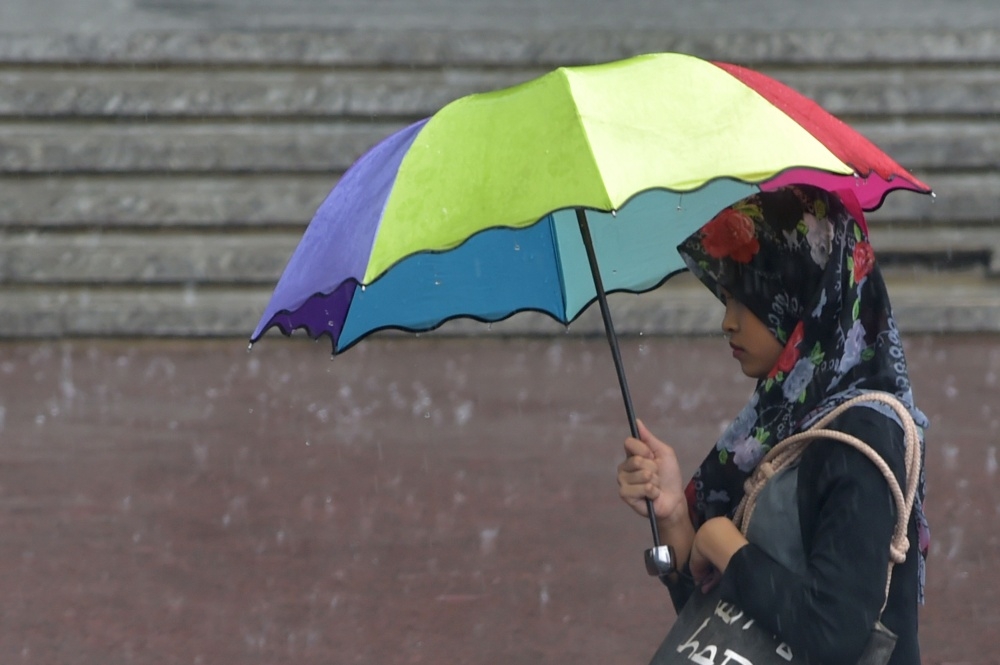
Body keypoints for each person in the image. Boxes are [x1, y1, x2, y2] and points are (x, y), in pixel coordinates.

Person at [617, 184, 928, 664]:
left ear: (804, 297)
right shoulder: (789, 417)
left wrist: (723, 543)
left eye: (746, 299)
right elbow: (731, 628)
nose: (728, 321)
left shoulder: (859, 438)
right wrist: (675, 515)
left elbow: (832, 634)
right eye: (726, 300)